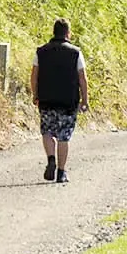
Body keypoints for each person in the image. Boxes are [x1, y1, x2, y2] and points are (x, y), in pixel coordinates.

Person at [32, 19, 88, 184]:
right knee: (64, 137)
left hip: (46, 98)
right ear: (68, 33)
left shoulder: (40, 52)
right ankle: (61, 172)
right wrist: (85, 100)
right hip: (68, 101)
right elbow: (82, 78)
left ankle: (51, 159)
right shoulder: (76, 52)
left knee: (47, 132)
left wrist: (35, 94)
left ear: (53, 32)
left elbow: (34, 76)